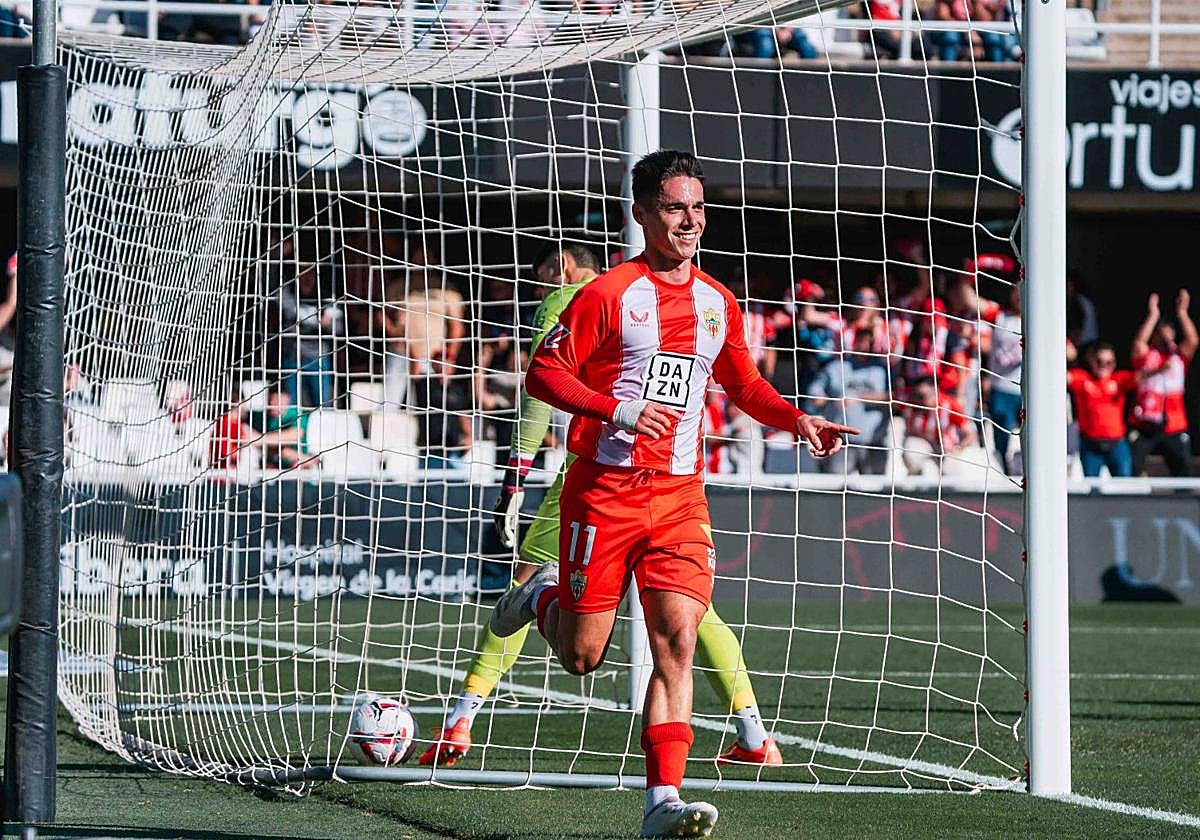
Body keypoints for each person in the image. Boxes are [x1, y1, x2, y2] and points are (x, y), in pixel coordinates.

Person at [486, 151, 857, 838]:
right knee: (582, 657)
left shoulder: (718, 300)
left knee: (677, 640)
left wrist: (796, 417)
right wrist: (617, 411)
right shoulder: (608, 295)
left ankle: (663, 802)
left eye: (696, 207)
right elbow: (543, 376)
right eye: (673, 208)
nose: (689, 221)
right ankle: (536, 598)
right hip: (602, 494)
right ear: (642, 214)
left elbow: (743, 382)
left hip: (681, 495)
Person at [422, 243, 786, 774]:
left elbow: (538, 397)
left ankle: (461, 718)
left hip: (605, 479)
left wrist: (517, 470)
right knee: (676, 620)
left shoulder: (572, 298)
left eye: (541, 270)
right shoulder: (633, 296)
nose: (539, 281)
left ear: (563, 267)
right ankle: (754, 734)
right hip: (639, 474)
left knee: (648, 611)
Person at [1129, 290, 1197, 477]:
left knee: (1183, 470)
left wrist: (1182, 313)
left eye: (1170, 336)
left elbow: (1192, 340)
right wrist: (1153, 316)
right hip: (1145, 423)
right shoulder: (1147, 356)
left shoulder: (1178, 357)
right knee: (1133, 466)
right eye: (1162, 335)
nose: (1166, 340)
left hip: (1174, 424)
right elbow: (1138, 344)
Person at [809, 328, 890, 474]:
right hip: (841, 442)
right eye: (861, 340)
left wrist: (857, 397)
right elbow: (815, 393)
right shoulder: (836, 367)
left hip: (873, 442)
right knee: (836, 488)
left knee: (875, 491)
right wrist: (822, 399)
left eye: (869, 342)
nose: (865, 346)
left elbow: (892, 396)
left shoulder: (883, 369)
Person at [1067, 343, 1136, 478]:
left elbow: (1144, 375)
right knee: (1092, 487)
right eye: (1099, 361)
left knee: (1124, 484)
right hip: (1091, 443)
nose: (1103, 365)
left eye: (1108, 362)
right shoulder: (1082, 378)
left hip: (1117, 443)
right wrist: (1069, 357)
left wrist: (1164, 366)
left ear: (1114, 363)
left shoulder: (1119, 380)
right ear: (1091, 360)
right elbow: (1060, 377)